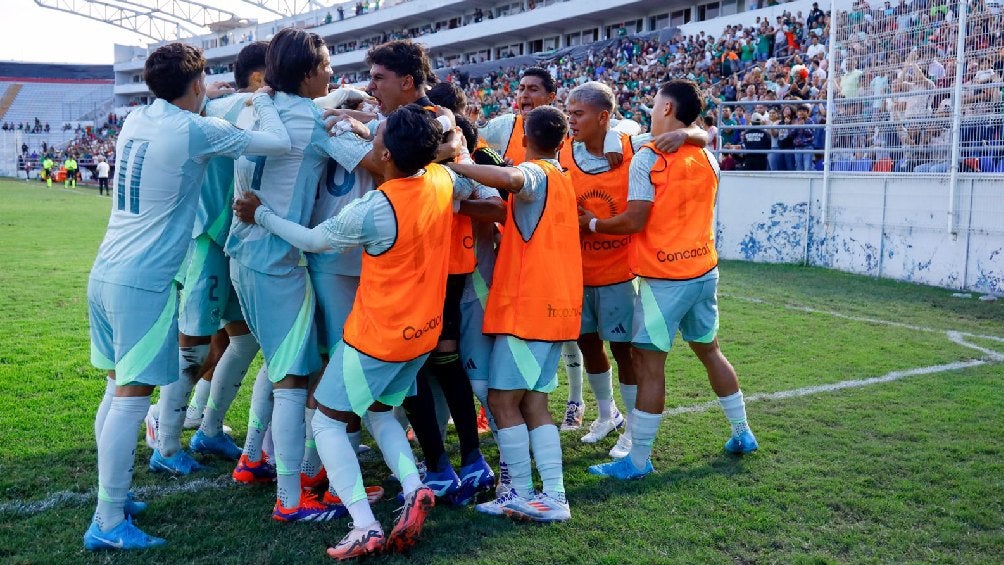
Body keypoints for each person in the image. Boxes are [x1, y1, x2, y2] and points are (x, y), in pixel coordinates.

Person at [233, 104, 477, 559]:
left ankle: (364, 525)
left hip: (378, 335)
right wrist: (452, 142)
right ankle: (414, 487)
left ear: (385, 155)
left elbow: (313, 241)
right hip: (423, 332)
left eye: (377, 134)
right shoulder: (441, 180)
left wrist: (261, 214)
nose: (372, 135)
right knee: (380, 413)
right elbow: (465, 179)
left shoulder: (377, 207)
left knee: (327, 421)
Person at [83, 41, 290, 551]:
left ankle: (113, 499)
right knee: (132, 397)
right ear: (196, 84)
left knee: (115, 389)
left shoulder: (136, 118)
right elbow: (277, 142)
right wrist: (264, 98)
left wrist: (209, 95)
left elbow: (189, 107)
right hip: (143, 281)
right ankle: (107, 520)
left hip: (105, 271)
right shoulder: (195, 129)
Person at [224, 28, 371, 523]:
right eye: (326, 65)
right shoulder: (312, 121)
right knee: (291, 380)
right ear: (307, 72)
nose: (331, 72)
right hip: (275, 259)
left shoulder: (255, 107)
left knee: (280, 366)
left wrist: (342, 109)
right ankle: (291, 499)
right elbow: (381, 161)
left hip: (244, 252)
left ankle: (256, 460)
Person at [580, 79, 758, 481]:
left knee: (648, 364)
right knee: (710, 351)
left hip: (664, 278)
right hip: (703, 271)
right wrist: (692, 133)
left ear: (666, 109)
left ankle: (638, 460)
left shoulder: (649, 159)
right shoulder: (706, 155)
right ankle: (742, 432)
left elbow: (634, 220)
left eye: (655, 102)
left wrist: (591, 224)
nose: (649, 108)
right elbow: (698, 137)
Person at [448, 105, 582, 523]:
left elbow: (512, 179)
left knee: (503, 400)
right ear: (563, 141)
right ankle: (552, 494)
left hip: (529, 310)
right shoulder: (563, 177)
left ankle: (521, 492)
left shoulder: (536, 173)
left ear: (525, 139)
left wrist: (455, 165)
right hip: (556, 309)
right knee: (534, 403)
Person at [151, 41, 271, 476]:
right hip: (208, 243)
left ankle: (209, 430)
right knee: (192, 348)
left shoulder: (227, 106)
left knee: (245, 340)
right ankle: (166, 445)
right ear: (259, 77)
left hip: (231, 243)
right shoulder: (226, 109)